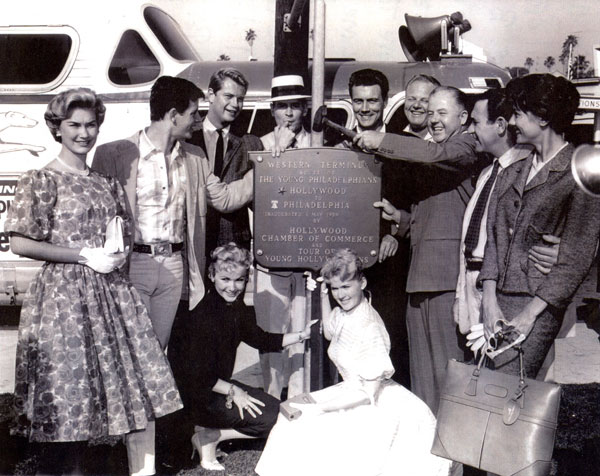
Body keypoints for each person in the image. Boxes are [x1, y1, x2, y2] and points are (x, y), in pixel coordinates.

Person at [6, 88, 182, 476]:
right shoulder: (41, 179)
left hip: (108, 294)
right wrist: (83, 254)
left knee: (99, 395)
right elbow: (19, 241)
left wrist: (115, 251)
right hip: (62, 301)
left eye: (90, 125)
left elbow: (119, 232)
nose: (83, 133)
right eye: (74, 125)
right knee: (67, 395)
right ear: (58, 128)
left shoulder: (107, 182)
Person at [255, 249, 451, 476]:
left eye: (346, 287)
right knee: (290, 424)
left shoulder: (369, 326)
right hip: (348, 390)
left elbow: (366, 395)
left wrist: (320, 408)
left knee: (312, 429)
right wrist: (322, 294)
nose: (341, 294)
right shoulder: (345, 312)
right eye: (335, 288)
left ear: (362, 282)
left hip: (371, 401)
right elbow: (330, 331)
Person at [92, 76, 253, 350]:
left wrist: (265, 168)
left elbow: (225, 199)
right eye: (193, 114)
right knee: (131, 349)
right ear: (173, 115)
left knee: (158, 351)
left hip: (175, 267)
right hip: (134, 265)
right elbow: (96, 221)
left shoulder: (195, 158)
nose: (197, 121)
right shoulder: (115, 154)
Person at [361, 86, 489, 413]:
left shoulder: (465, 147)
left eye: (441, 113)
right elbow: (433, 214)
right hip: (419, 281)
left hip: (446, 281)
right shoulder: (439, 152)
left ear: (463, 118)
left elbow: (432, 155)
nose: (433, 120)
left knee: (450, 380)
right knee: (423, 383)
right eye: (430, 113)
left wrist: (382, 139)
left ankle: (455, 462)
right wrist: (401, 219)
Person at [480, 74, 600, 377]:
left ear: (543, 117)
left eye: (519, 113)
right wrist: (489, 302)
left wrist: (528, 316)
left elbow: (575, 257)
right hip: (497, 303)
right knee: (489, 393)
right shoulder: (512, 171)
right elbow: (494, 239)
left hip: (538, 306)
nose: (512, 121)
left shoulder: (579, 174)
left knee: (507, 393)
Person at [166, 243, 317, 471]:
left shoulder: (237, 308)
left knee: (278, 412)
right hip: (196, 398)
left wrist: (301, 335)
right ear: (212, 276)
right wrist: (235, 391)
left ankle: (211, 433)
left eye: (239, 280)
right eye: (225, 279)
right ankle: (209, 435)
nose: (232, 287)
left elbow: (262, 339)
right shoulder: (203, 315)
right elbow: (197, 377)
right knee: (273, 419)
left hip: (216, 389)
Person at [453, 88, 559, 336]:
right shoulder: (487, 174)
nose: (470, 130)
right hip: (474, 284)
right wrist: (461, 296)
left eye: (476, 123)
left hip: (504, 291)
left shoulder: (526, 173)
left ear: (500, 125)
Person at [337, 68, 412, 387]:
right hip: (348, 264)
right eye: (359, 101)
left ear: (384, 102)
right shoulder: (336, 148)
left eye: (372, 101)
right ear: (350, 103)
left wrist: (396, 233)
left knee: (391, 342)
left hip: (391, 265)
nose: (365, 108)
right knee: (350, 344)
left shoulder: (405, 145)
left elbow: (418, 201)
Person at [254, 75, 311, 399]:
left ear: (304, 108)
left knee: (302, 331)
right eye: (282, 107)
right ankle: (272, 403)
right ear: (273, 110)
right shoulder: (260, 145)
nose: (289, 114)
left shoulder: (317, 143)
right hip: (270, 257)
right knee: (272, 332)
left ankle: (300, 400)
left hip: (306, 256)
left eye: (295, 106)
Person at [188, 68, 262, 254]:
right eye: (228, 96)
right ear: (211, 95)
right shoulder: (188, 138)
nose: (235, 104)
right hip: (194, 244)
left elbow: (260, 203)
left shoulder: (250, 143)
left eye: (241, 99)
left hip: (234, 248)